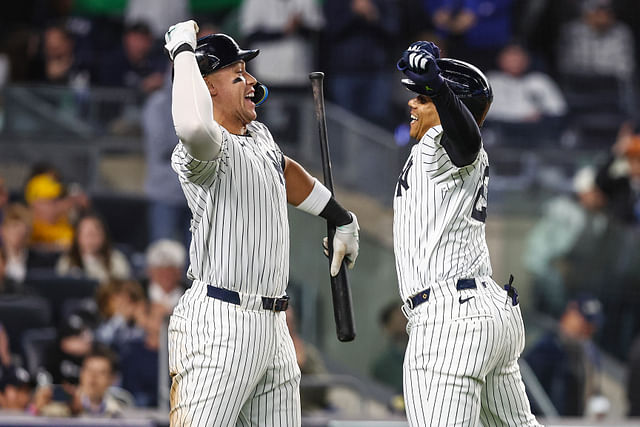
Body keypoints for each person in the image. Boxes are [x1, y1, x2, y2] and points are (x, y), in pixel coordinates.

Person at [163, 21, 360, 425]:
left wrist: (340, 217)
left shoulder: (258, 135)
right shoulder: (199, 151)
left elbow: (284, 170)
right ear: (207, 88)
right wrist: (183, 51)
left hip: (273, 325)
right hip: (221, 320)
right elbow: (192, 125)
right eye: (238, 75)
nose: (252, 80)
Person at [393, 41, 539, 425]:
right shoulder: (437, 149)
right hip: (485, 312)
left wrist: (438, 89)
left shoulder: (444, 144)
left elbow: (467, 140)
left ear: (447, 106)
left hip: (450, 321)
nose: (412, 103)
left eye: (421, 98)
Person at [525, 295, 606, 417]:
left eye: (591, 326)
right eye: (584, 322)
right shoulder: (546, 347)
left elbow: (593, 389)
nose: (588, 330)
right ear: (571, 313)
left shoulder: (589, 351)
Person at [56, 212, 132, 284]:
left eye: (95, 234)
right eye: (87, 234)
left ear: (104, 236)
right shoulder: (67, 262)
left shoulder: (117, 260)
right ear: (77, 237)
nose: (91, 239)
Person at [143, 239, 187, 313]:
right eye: (159, 269)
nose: (165, 274)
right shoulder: (137, 295)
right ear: (149, 271)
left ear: (179, 272)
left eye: (171, 269)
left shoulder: (191, 295)